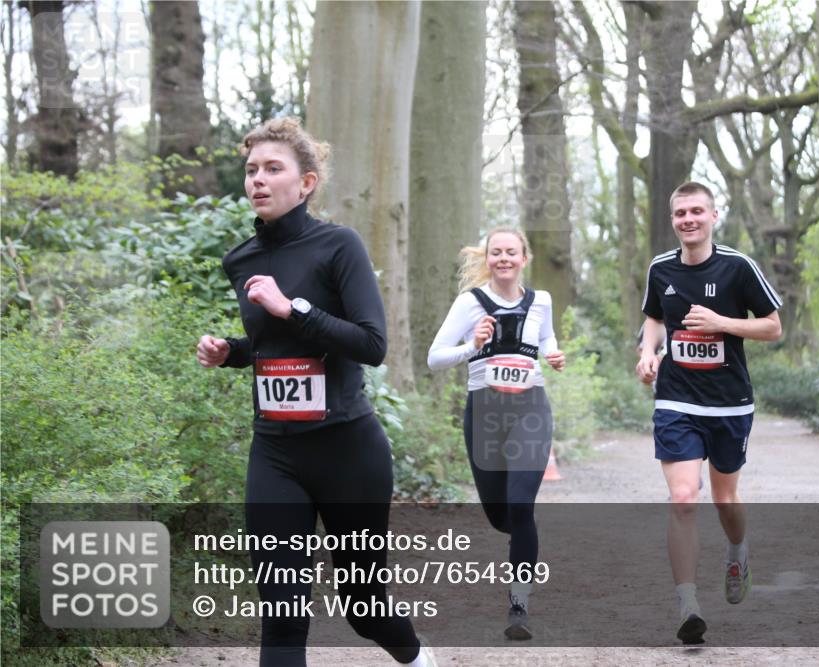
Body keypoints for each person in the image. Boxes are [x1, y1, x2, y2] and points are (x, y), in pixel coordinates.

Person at [196, 117, 434, 667]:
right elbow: (275, 349)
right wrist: (231, 351)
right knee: (281, 615)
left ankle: (417, 660)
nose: (258, 179)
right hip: (276, 452)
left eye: (273, 169)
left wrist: (293, 307)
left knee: (364, 607)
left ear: (306, 183)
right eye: (251, 169)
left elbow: (372, 345)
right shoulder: (241, 260)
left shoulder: (339, 246)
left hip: (348, 449)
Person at [635, 181, 782, 645]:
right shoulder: (661, 268)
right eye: (680, 214)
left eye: (697, 211)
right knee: (683, 497)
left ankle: (737, 551)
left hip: (729, 403)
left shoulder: (738, 267)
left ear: (713, 216)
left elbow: (774, 327)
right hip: (676, 398)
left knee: (724, 500)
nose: (688, 220)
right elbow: (656, 317)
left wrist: (722, 323)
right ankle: (688, 604)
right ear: (673, 220)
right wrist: (648, 352)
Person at [427, 229, 565, 640]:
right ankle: (522, 537)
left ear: (525, 257)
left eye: (511, 252)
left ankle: (519, 603)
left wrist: (552, 353)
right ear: (487, 259)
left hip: (530, 409)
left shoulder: (540, 299)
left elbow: (546, 338)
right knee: (499, 513)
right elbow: (436, 358)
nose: (504, 258)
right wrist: (473, 344)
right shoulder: (470, 303)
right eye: (496, 252)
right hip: (485, 413)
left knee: (520, 506)